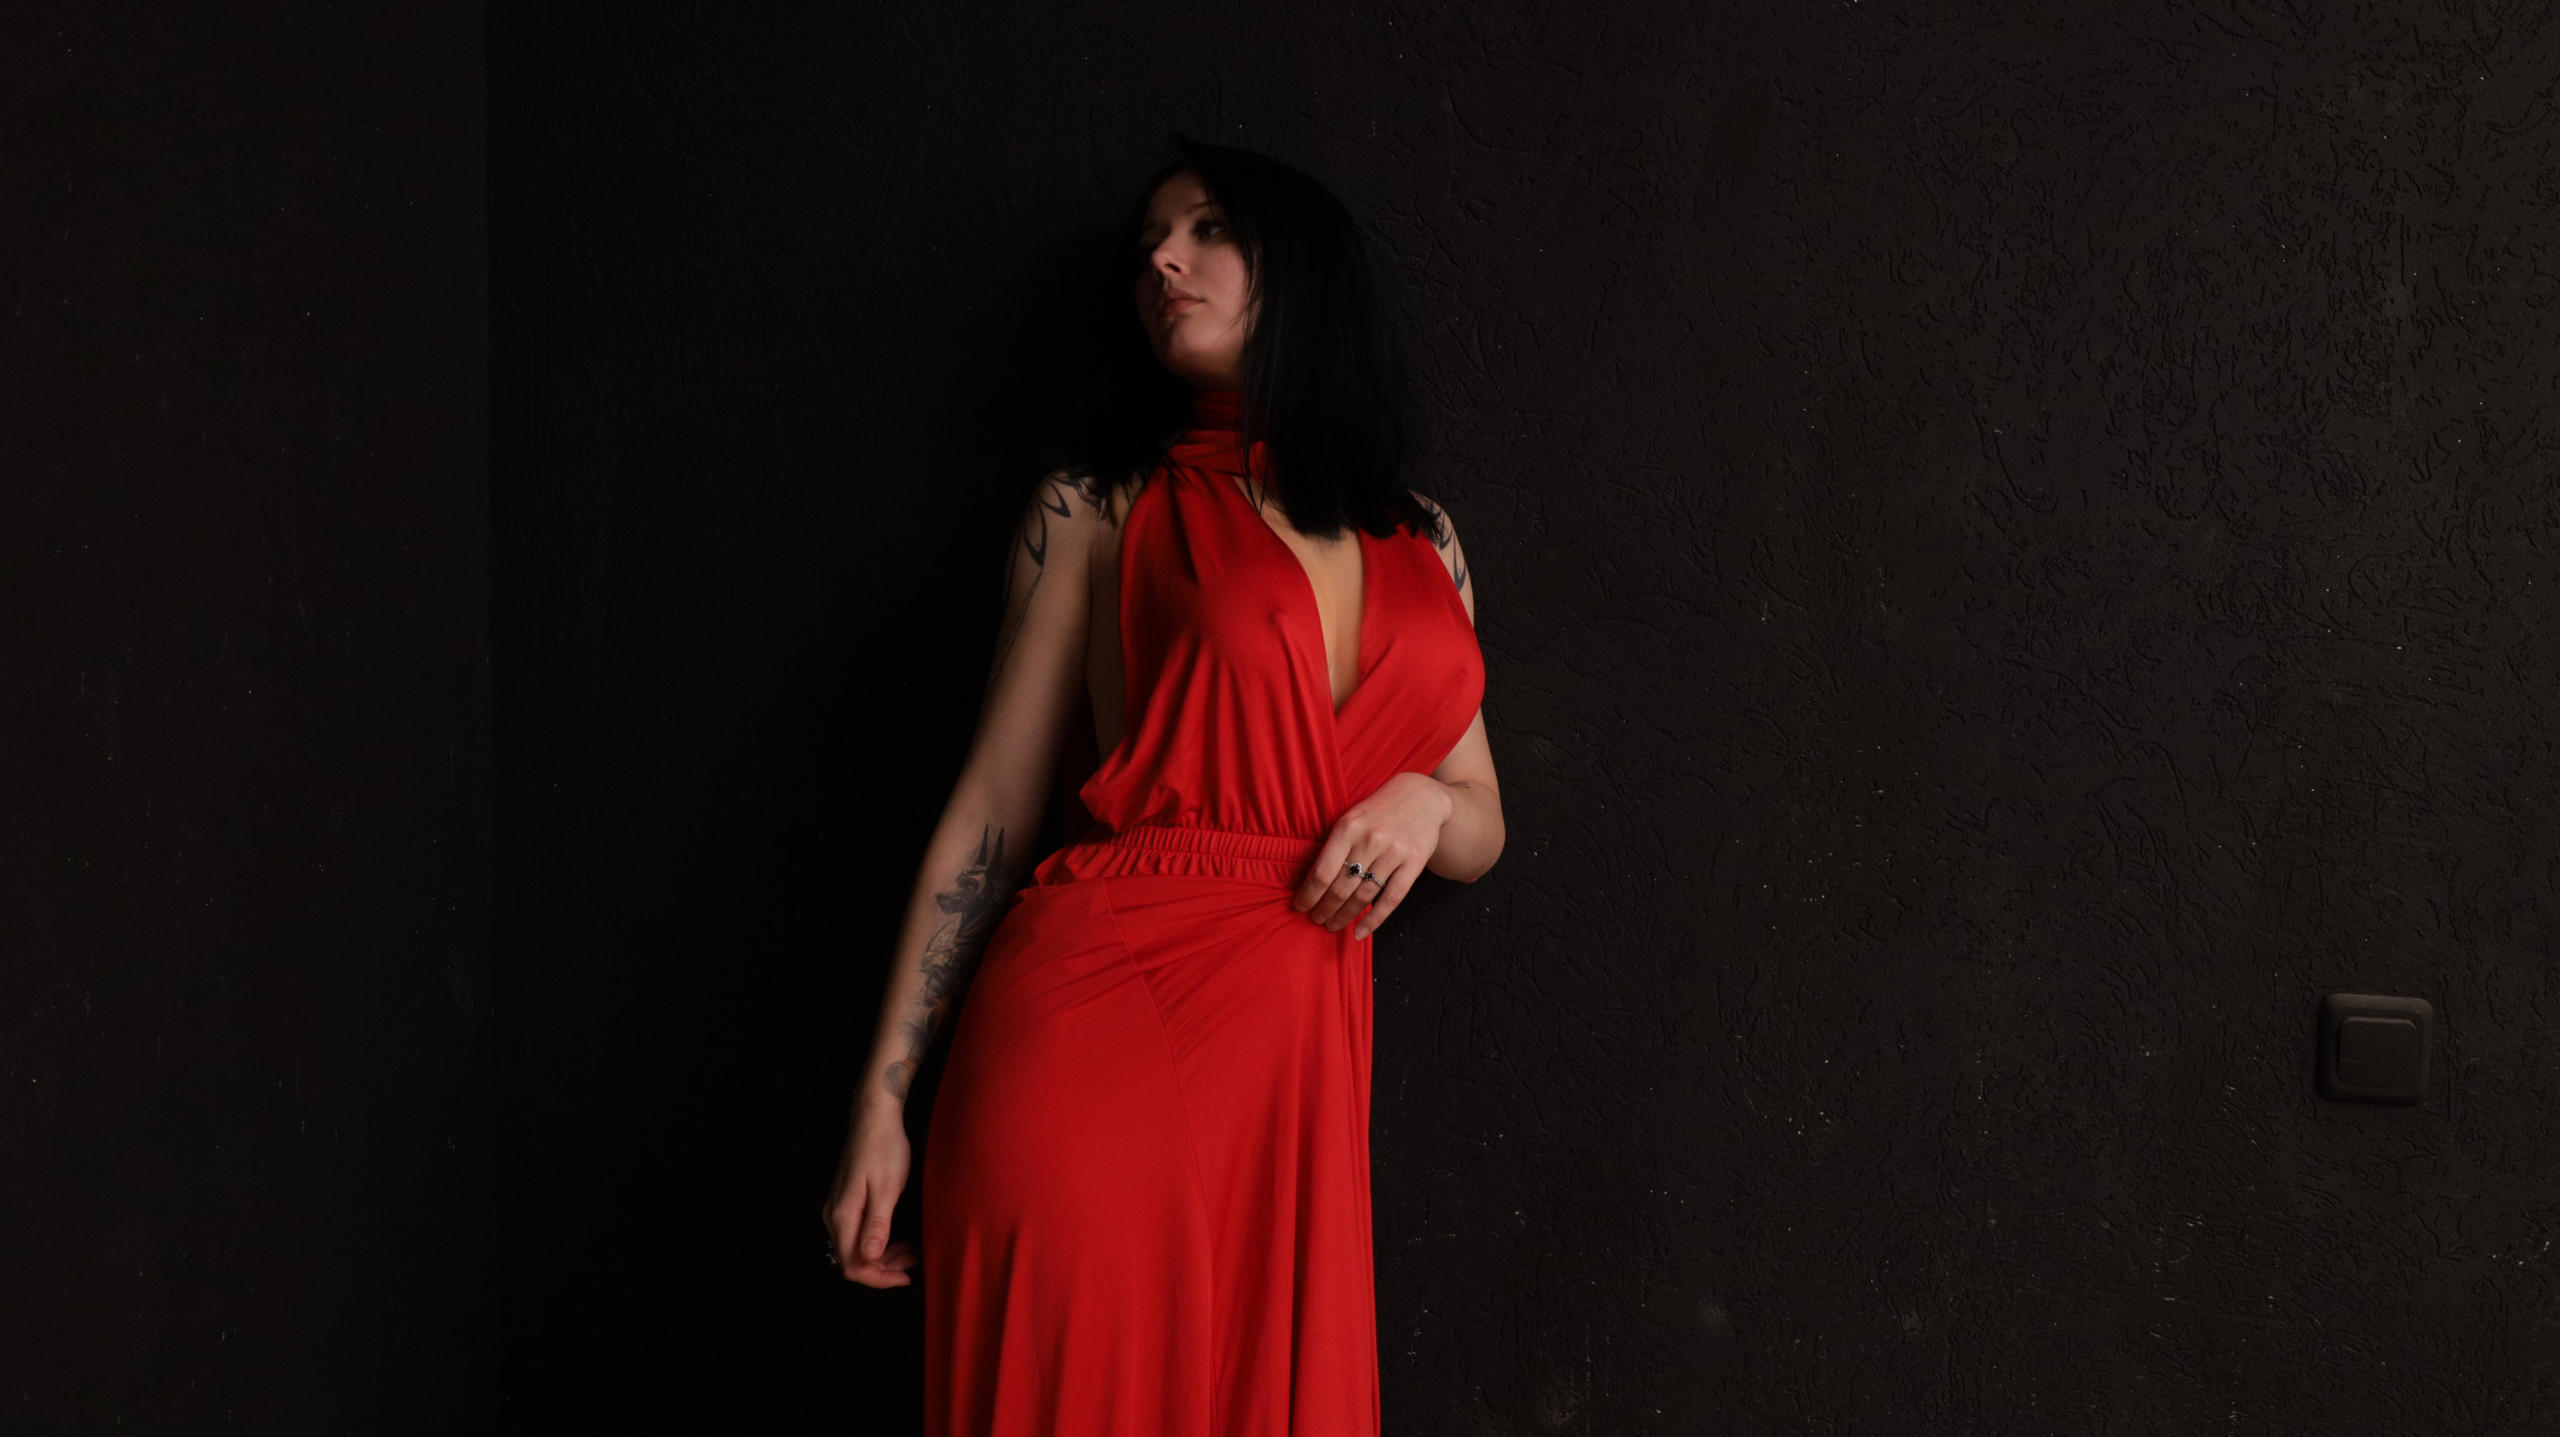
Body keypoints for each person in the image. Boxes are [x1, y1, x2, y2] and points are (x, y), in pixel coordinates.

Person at [820, 133, 1504, 1435]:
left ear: (1300, 266)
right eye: (1149, 245)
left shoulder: (1423, 536)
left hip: (1295, 1065)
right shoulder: (1095, 507)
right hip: (1096, 1017)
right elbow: (992, 811)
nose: (1164, 263)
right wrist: (884, 1097)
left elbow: (1482, 818)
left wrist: (1425, 802)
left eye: (1206, 230)